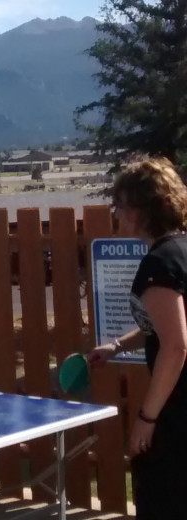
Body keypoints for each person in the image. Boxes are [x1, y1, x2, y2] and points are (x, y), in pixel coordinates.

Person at [87, 157, 187, 519]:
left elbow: (175, 347)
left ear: (144, 209)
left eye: (122, 205)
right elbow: (162, 326)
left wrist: (147, 417)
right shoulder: (181, 251)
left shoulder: (160, 263)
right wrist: (116, 345)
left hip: (177, 416)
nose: (117, 212)